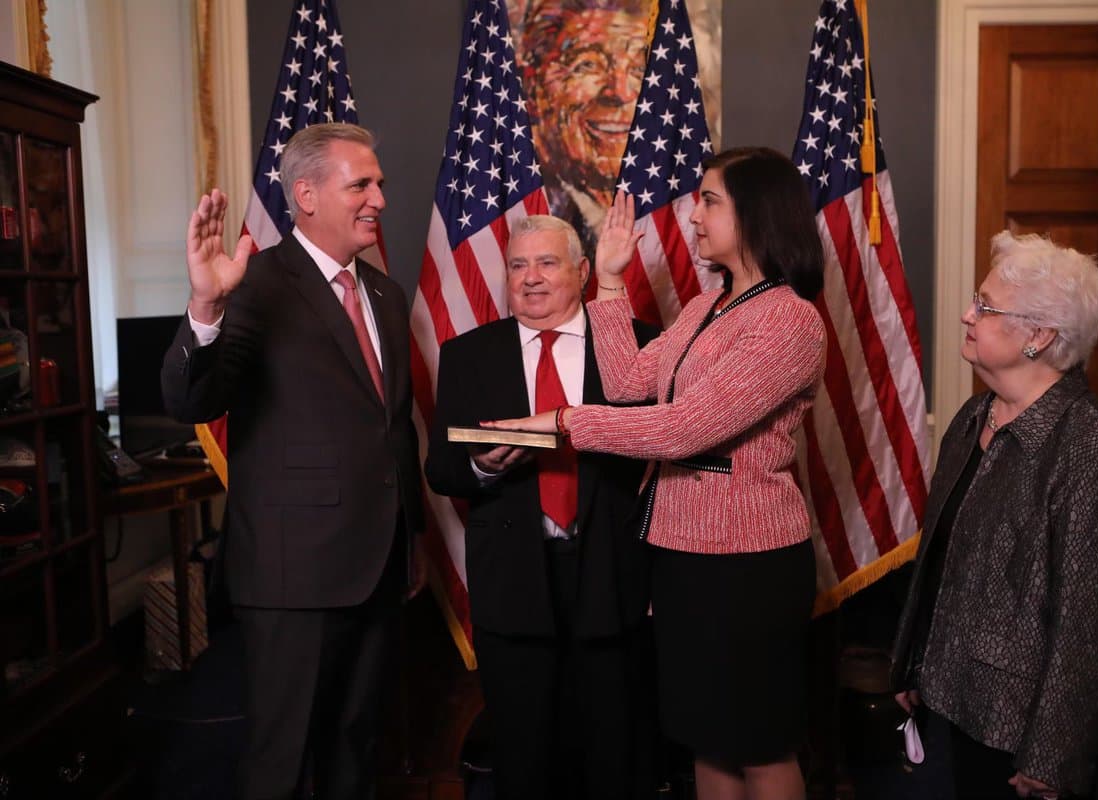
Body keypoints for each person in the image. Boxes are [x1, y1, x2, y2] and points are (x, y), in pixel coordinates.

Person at [487, 147, 827, 800]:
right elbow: (627, 383)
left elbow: (682, 427)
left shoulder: (789, 319)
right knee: (707, 736)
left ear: (757, 213)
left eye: (709, 201)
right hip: (680, 554)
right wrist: (611, 281)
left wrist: (557, 423)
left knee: (759, 740)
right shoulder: (711, 305)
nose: (693, 215)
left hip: (749, 563)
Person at [161, 123, 426, 800]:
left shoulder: (388, 298)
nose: (379, 200)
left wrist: (413, 538)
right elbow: (191, 399)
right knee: (283, 760)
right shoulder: (253, 282)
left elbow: (393, 431)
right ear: (305, 193)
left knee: (356, 748)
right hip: (292, 577)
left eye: (380, 184)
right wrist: (204, 304)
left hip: (380, 565)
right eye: (361, 184)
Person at [890, 231, 1098, 799]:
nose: (966, 314)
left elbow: (1090, 625)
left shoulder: (1097, 453)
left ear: (1040, 336)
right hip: (949, 692)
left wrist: (1054, 754)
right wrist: (912, 663)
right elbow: (941, 560)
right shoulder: (976, 414)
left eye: (985, 306)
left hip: (1014, 723)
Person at [425, 214, 659, 800]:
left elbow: (662, 454)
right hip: (513, 579)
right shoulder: (467, 355)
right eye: (518, 265)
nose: (530, 279)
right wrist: (482, 466)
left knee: (614, 751)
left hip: (611, 572)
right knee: (525, 757)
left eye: (547, 263)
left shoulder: (638, 345)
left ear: (583, 272)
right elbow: (440, 467)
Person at [518, 0, 650, 254]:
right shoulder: (523, 211)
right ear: (533, 87)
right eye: (588, 64)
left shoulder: (666, 218)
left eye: (636, 68)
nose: (620, 92)